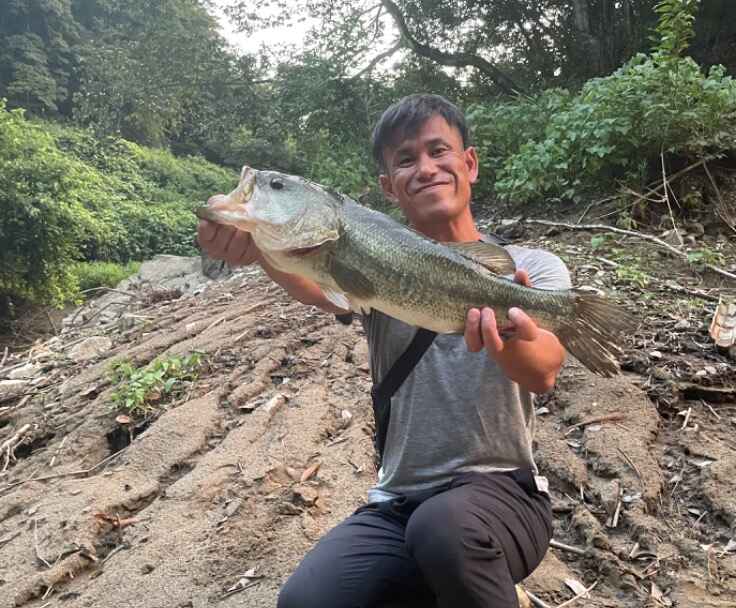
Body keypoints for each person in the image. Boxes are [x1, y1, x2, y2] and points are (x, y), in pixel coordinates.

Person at [197, 94, 572, 608]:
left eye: (439, 151)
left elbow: (544, 372)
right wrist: (256, 244)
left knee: (445, 533)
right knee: (307, 601)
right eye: (405, 160)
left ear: (470, 163)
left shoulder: (528, 267)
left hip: (503, 492)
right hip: (399, 503)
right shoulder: (365, 260)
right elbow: (313, 282)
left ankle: (481, 577)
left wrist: (505, 336)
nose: (426, 168)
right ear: (388, 186)